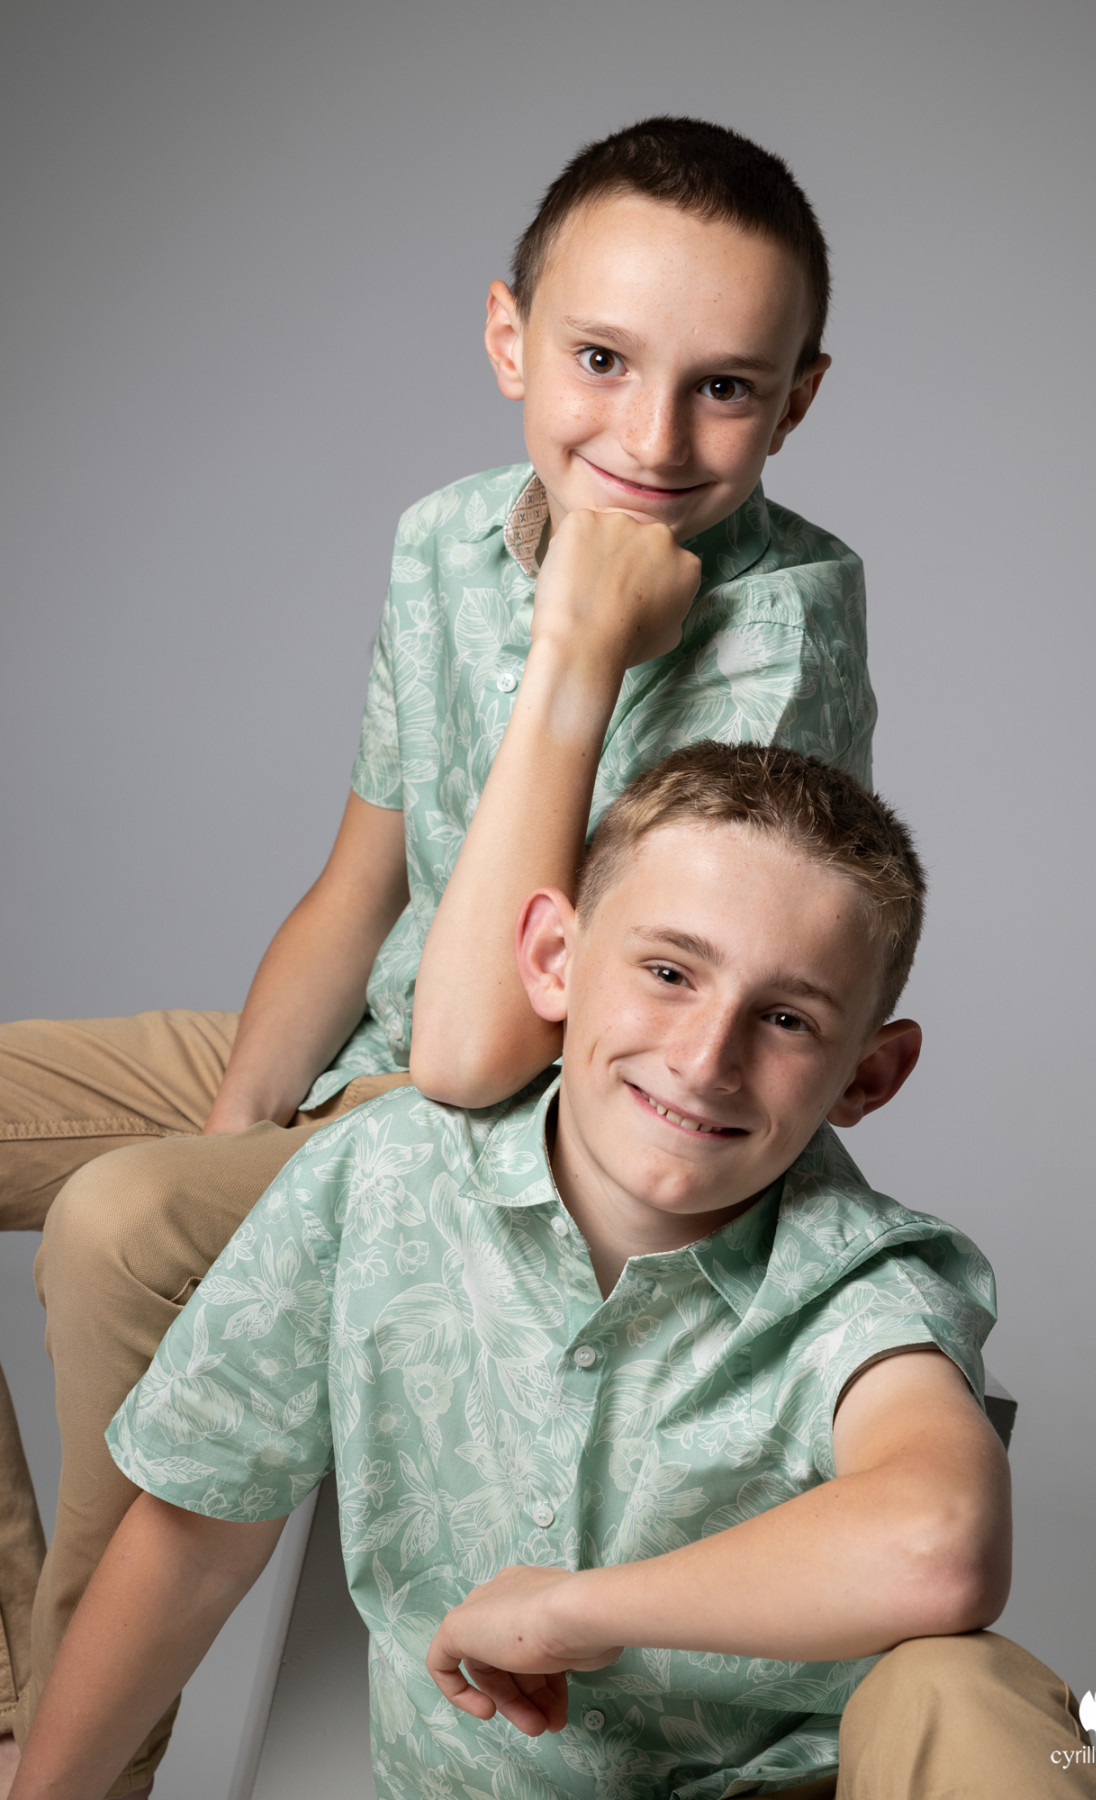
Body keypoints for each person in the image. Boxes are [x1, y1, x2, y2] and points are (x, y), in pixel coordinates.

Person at [1, 116, 876, 1793]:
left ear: (797, 401)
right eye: (603, 361)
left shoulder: (783, 640)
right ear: (508, 339)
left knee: (121, 1228)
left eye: (724, 387)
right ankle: (20, 1703)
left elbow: (488, 1057)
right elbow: (360, 887)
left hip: (521, 1119)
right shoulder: (447, 540)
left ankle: (74, 1764)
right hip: (379, 1036)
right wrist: (240, 1139)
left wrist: (580, 645)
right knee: (147, 1183)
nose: (651, 436)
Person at [10, 745, 1096, 1800]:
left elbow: (940, 1542)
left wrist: (576, 1611)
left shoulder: (865, 1282)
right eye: (669, 972)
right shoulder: (382, 1177)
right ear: (553, 958)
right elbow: (191, 1547)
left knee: (963, 1686)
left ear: (867, 1076)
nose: (705, 1058)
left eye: (787, 1019)